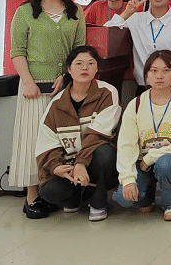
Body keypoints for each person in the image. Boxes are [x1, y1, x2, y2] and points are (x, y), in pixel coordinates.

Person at [10, 0, 87, 219]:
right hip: (33, 87)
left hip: (63, 88)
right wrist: (28, 81)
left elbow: (79, 51)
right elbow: (17, 51)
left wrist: (66, 77)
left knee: (59, 141)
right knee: (32, 140)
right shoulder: (25, 12)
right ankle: (31, 197)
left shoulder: (75, 12)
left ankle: (52, 191)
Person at [35, 46, 120, 222]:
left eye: (91, 63)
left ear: (97, 68)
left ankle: (98, 202)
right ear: (69, 69)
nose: (85, 68)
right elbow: (47, 143)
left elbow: (97, 135)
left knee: (104, 154)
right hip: (70, 165)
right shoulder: (56, 104)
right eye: (79, 63)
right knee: (49, 191)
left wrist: (81, 163)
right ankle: (74, 197)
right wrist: (56, 167)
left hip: (96, 160)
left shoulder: (107, 92)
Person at [113, 50, 171, 221]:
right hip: (142, 163)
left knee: (165, 163)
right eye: (154, 70)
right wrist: (128, 179)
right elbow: (126, 144)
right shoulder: (136, 104)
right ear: (146, 74)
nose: (159, 76)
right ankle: (148, 196)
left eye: (166, 70)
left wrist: (150, 158)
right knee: (124, 198)